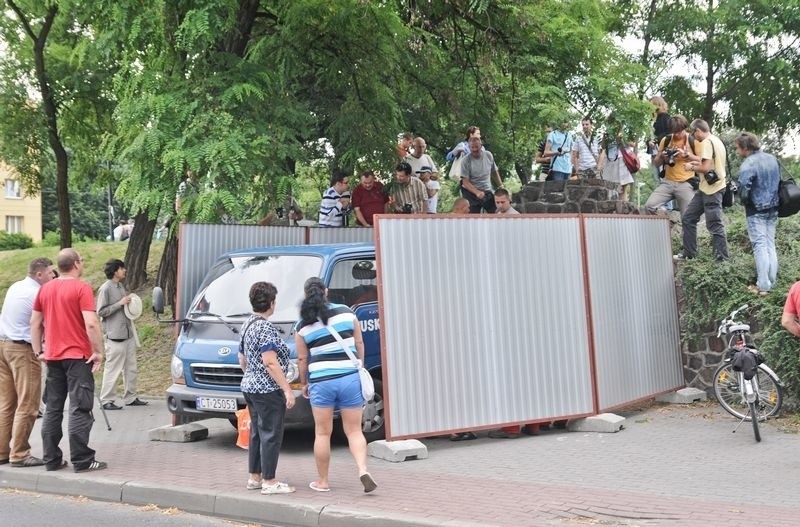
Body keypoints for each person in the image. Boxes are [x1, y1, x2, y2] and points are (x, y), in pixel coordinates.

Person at [295, 277, 377, 493]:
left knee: (323, 433)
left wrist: (304, 383)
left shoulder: (302, 325)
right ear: (326, 291)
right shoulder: (347, 312)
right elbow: (359, 342)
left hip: (321, 381)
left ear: (306, 295)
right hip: (349, 377)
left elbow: (302, 359)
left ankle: (323, 481)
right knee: (353, 431)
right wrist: (359, 364)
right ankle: (362, 469)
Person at [30, 248, 107, 472]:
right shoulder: (81, 288)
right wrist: (98, 351)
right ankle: (82, 460)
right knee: (79, 408)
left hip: (53, 357)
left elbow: (35, 323)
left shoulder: (45, 289)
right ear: (75, 264)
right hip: (77, 357)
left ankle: (52, 460)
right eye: (81, 261)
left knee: (53, 408)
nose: (82, 264)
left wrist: (38, 352)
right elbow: (91, 323)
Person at [238, 282, 296, 495]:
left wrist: (250, 376)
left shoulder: (247, 324)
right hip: (267, 389)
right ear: (271, 303)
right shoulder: (265, 327)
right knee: (271, 433)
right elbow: (270, 362)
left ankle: (255, 476)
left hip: (250, 386)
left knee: (257, 432)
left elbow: (241, 358)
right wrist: (287, 389)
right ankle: (270, 481)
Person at [0, 257, 56, 467]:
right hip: (23, 350)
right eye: (51, 273)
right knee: (28, 404)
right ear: (39, 274)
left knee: (7, 403)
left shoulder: (16, 286)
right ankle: (20, 453)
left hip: (3, 345)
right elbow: (44, 322)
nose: (53, 276)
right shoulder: (37, 293)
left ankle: (2, 451)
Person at [675, 119, 730, 261]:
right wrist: (696, 162)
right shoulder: (716, 140)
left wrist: (691, 167)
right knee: (688, 218)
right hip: (706, 188)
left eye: (693, 133)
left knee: (714, 224)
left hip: (713, 190)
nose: (693, 137)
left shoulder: (706, 142)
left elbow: (705, 168)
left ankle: (721, 260)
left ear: (698, 130)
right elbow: (708, 163)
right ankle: (689, 254)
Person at [97, 259, 147, 410]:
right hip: (114, 336)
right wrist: (120, 304)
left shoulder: (120, 286)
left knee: (131, 368)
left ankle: (130, 397)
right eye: (122, 268)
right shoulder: (105, 289)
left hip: (127, 333)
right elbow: (101, 311)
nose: (124, 271)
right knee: (113, 369)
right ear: (115, 270)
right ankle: (106, 400)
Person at [736, 132, 780, 295]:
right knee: (769, 243)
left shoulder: (749, 163)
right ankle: (772, 282)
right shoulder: (772, 158)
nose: (736, 151)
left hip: (756, 209)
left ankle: (763, 285)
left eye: (737, 148)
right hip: (774, 207)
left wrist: (744, 202)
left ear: (745, 147)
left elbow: (744, 189)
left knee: (759, 245)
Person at [645, 115, 701, 215]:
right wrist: (662, 156)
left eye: (680, 131)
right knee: (649, 206)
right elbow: (656, 164)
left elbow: (702, 161)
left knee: (688, 216)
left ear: (685, 128)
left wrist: (686, 155)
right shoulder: (666, 140)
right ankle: (663, 227)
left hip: (686, 182)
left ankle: (685, 231)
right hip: (668, 182)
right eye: (675, 132)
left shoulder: (693, 140)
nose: (677, 134)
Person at [460, 135, 503, 213]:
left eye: (477, 147)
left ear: (481, 146)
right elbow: (465, 182)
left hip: (487, 190)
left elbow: (494, 171)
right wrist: (477, 192)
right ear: (469, 147)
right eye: (472, 148)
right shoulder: (465, 161)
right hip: (471, 193)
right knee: (473, 215)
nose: (475, 150)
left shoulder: (489, 155)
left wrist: (501, 186)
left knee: (496, 211)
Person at [647, 97, 672, 211]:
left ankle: (667, 205)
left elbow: (667, 135)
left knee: (664, 177)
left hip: (662, 152)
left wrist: (656, 141)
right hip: (654, 152)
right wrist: (649, 142)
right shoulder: (653, 120)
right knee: (658, 178)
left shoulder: (665, 118)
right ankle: (662, 204)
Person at [601, 134, 635, 201]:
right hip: (610, 160)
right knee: (608, 187)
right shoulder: (608, 130)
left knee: (622, 188)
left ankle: (623, 209)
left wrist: (622, 137)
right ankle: (611, 209)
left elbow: (633, 144)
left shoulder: (625, 127)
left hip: (622, 160)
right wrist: (604, 139)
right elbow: (603, 146)